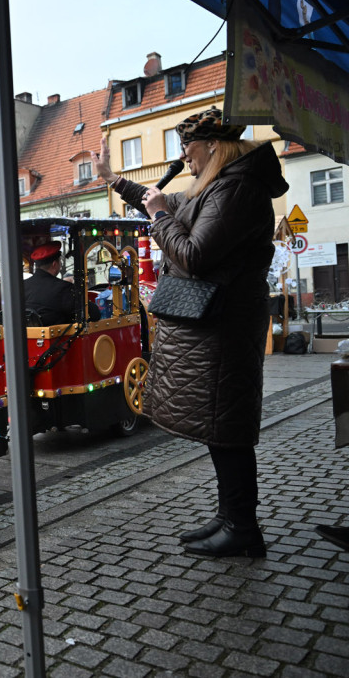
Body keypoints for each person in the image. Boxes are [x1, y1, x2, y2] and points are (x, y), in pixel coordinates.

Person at [92, 106, 289, 558]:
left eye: (189, 148)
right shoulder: (218, 187)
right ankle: (230, 516)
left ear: (214, 147)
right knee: (219, 426)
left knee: (228, 428)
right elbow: (158, 199)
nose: (185, 156)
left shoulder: (236, 190)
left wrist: (160, 217)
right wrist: (112, 178)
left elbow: (193, 255)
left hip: (227, 327)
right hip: (219, 324)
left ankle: (242, 527)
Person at [24, 242, 99, 325]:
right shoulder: (63, 288)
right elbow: (95, 314)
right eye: (60, 262)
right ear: (54, 264)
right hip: (61, 337)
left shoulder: (23, 286)